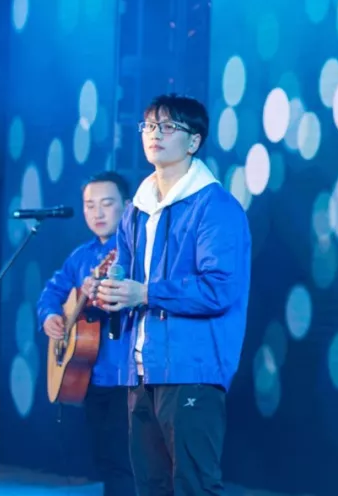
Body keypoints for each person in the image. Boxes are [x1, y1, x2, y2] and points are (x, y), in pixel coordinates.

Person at [96, 94, 251, 496]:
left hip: (191, 369)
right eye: (149, 126)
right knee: (150, 485)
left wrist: (145, 293)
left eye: (168, 127)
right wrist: (111, 293)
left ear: (194, 141)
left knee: (194, 485)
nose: (155, 134)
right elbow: (126, 279)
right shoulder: (135, 210)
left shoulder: (215, 206)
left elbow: (219, 288)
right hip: (141, 370)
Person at [37, 172, 135, 496]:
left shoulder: (136, 250)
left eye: (106, 203)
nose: (97, 213)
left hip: (127, 373)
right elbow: (52, 292)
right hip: (89, 375)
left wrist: (103, 294)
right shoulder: (80, 255)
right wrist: (50, 316)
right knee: (104, 458)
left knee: (126, 461)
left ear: (127, 205)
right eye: (89, 205)